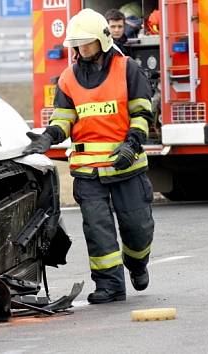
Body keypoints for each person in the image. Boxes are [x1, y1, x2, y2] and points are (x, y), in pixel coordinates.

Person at [23, 8, 154, 305]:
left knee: (138, 229)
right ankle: (109, 286)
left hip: (127, 167)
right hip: (88, 173)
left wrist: (131, 145)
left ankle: (137, 263)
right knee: (98, 231)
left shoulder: (128, 69)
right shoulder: (68, 79)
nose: (82, 49)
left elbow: (142, 114)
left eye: (87, 43)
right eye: (77, 44)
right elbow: (63, 120)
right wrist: (49, 136)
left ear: (103, 41)